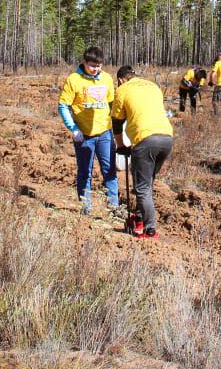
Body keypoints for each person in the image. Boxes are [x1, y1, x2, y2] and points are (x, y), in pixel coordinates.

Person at [111, 65, 174, 239]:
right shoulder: (153, 86)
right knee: (145, 184)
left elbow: (116, 122)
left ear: (121, 79)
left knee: (143, 188)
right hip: (166, 138)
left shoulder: (123, 89)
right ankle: (138, 219)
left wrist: (121, 145)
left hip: (145, 140)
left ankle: (149, 230)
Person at [58, 46, 119, 216]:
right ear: (85, 62)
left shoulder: (106, 78)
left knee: (110, 171)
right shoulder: (74, 79)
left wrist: (120, 127)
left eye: (99, 65)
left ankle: (114, 207)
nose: (96, 69)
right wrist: (73, 129)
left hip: (105, 133)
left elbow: (112, 103)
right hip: (84, 136)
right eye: (92, 65)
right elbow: (63, 105)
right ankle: (86, 207)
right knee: (85, 172)